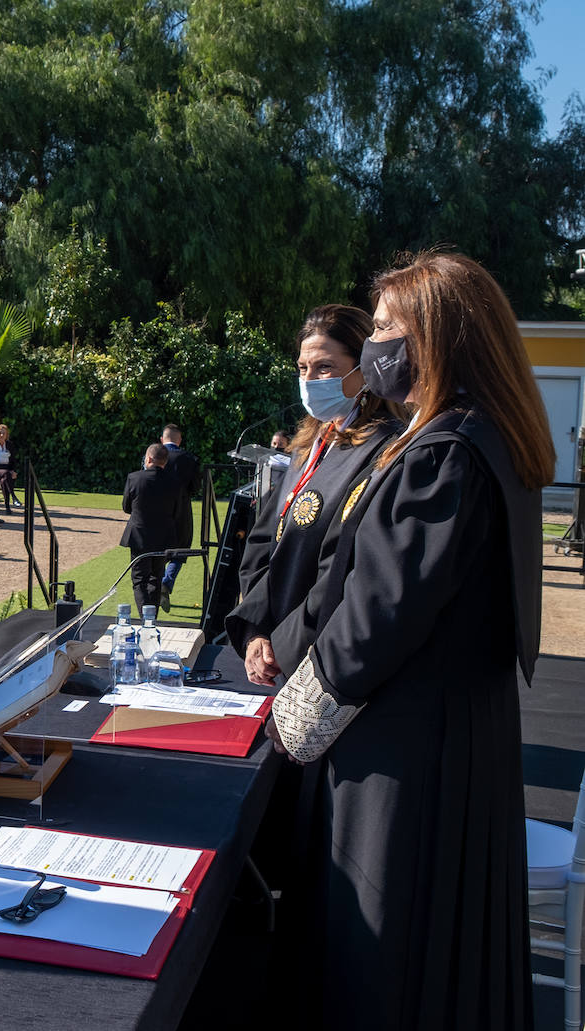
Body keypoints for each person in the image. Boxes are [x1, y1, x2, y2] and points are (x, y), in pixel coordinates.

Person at [265, 252, 550, 1029]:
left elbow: (373, 620)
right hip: (458, 745)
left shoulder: (445, 455)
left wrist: (286, 723)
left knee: (389, 971)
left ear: (438, 339)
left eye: (390, 327)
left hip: (410, 763)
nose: (379, 342)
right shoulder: (482, 438)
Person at [226, 304, 405, 677]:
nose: (310, 379)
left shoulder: (384, 449)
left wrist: (284, 644)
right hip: (276, 648)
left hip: (322, 658)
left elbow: (345, 568)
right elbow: (264, 537)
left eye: (325, 367)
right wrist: (256, 631)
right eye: (303, 368)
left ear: (364, 369)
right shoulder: (311, 442)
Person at [119, 443, 179, 614]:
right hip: (163, 537)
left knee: (140, 579)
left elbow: (126, 507)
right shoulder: (174, 482)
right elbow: (177, 511)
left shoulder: (134, 478)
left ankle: (145, 617)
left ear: (149, 458)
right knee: (156, 577)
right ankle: (152, 617)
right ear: (165, 462)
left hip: (139, 536)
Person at [157, 423, 200, 611]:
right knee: (181, 549)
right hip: (182, 509)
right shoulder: (189, 459)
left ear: (162, 439)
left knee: (157, 549)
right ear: (179, 440)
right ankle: (166, 582)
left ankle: (156, 586)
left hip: (157, 509)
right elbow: (196, 487)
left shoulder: (153, 455)